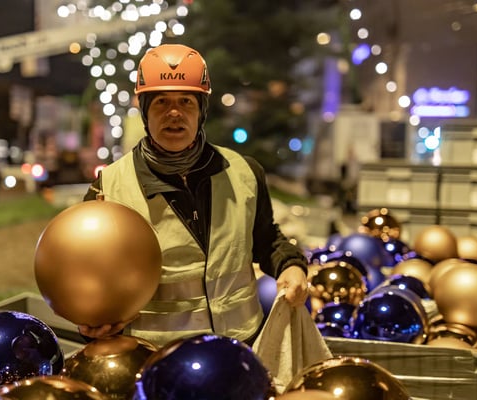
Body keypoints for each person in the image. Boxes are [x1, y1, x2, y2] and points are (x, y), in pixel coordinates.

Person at [80, 44, 309, 348]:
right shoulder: (107, 189)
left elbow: (267, 240)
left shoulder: (245, 173)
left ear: (201, 110)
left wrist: (290, 265)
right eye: (161, 101)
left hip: (239, 350)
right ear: (145, 110)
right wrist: (92, 318)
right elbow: (89, 275)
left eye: (186, 101)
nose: (174, 113)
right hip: (154, 358)